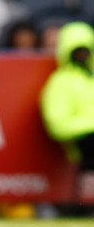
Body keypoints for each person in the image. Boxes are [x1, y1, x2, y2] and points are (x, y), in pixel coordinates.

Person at [40, 21, 94, 170]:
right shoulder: (60, 82)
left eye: (86, 50)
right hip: (83, 144)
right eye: (77, 50)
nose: (83, 55)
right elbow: (57, 125)